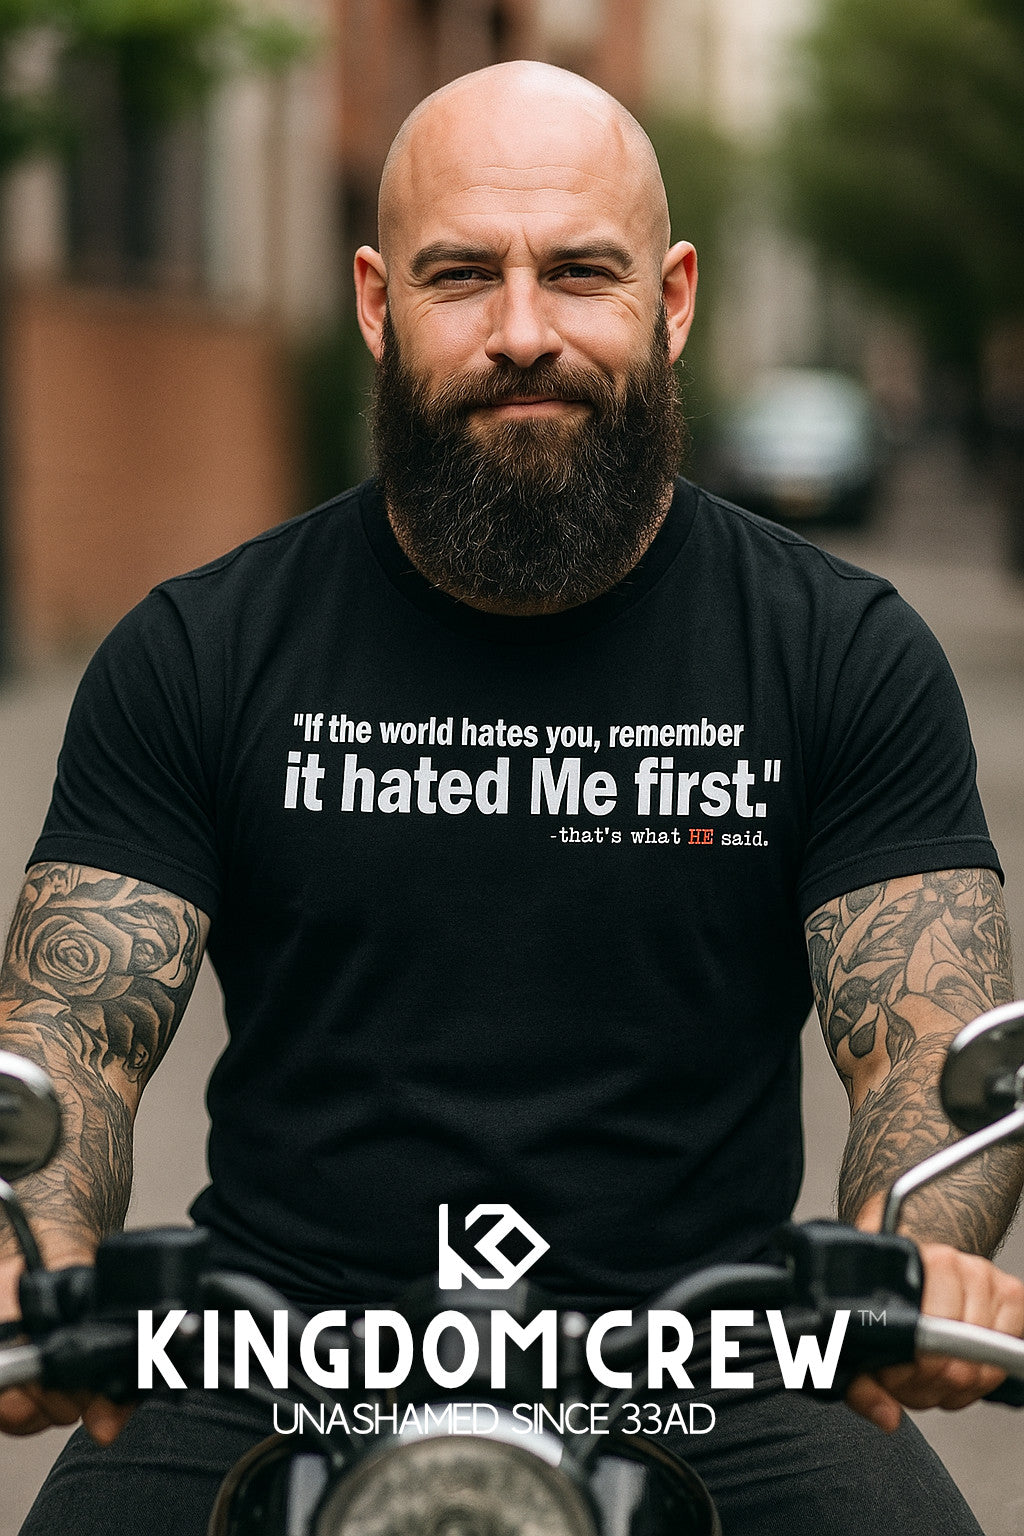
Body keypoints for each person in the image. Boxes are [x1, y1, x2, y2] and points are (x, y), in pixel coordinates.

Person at [1, 59, 1022, 1535]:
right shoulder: (200, 650)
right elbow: (70, 1041)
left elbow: (927, 1051)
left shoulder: (840, 652)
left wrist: (918, 1258)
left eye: (581, 274)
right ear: (376, 302)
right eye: (463, 275)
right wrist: (36, 1250)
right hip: (271, 1348)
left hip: (715, 1354)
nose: (522, 331)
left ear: (671, 300)